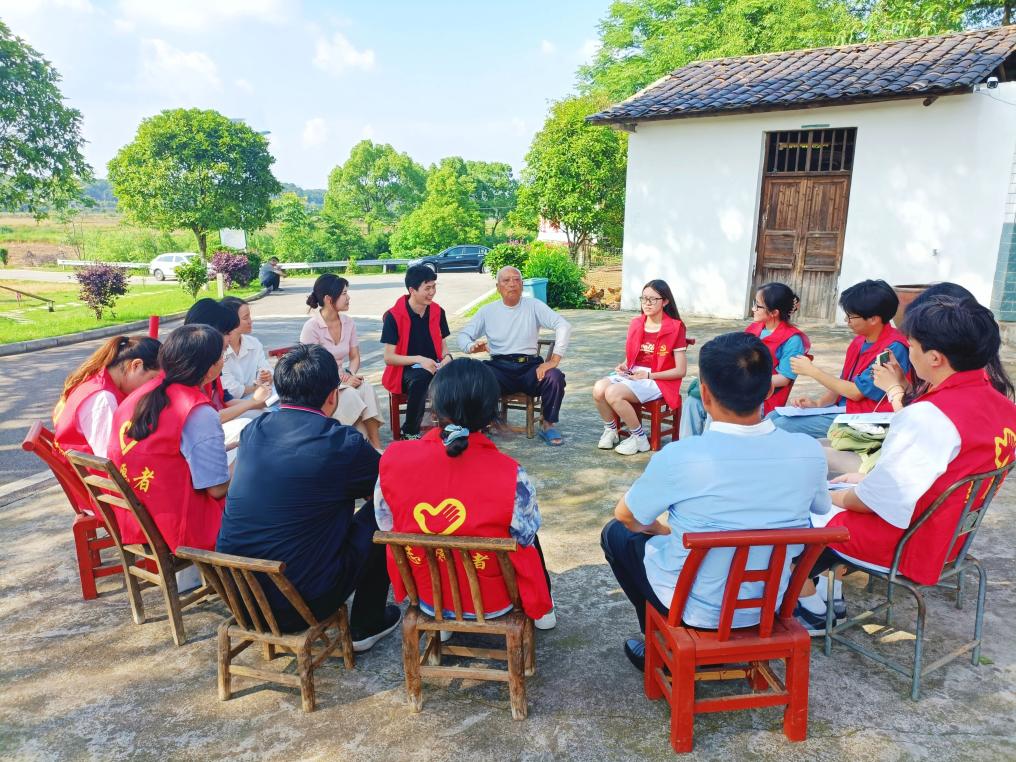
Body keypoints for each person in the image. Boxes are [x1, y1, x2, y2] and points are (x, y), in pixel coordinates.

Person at [601, 332, 829, 671]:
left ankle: (660, 644)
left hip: (695, 607)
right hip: (768, 603)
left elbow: (627, 516)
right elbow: (821, 509)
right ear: (768, 391)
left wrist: (661, 530)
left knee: (615, 534)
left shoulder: (681, 456)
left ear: (704, 394)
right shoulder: (808, 451)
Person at [796, 295, 1016, 634]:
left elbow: (870, 504)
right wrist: (863, 483)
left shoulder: (930, 416)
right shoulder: (1003, 406)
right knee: (840, 489)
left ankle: (808, 607)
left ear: (935, 358)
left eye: (911, 346)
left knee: (797, 511)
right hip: (952, 535)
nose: (907, 354)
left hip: (907, 542)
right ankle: (829, 592)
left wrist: (830, 493)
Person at [216, 344, 399, 648]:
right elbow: (384, 488)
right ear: (333, 395)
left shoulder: (255, 430)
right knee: (381, 511)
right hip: (301, 602)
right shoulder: (341, 442)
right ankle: (367, 625)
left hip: (240, 595)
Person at [375, 358, 555, 628]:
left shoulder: (393, 459)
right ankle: (543, 611)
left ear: (434, 407)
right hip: (494, 601)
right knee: (526, 533)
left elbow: (386, 523)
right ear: (491, 412)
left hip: (428, 595)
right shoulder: (511, 473)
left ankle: (443, 625)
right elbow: (525, 536)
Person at [109, 324, 230, 551]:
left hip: (141, 521)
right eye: (222, 355)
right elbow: (217, 488)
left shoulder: (140, 394)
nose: (224, 360)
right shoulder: (197, 411)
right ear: (211, 368)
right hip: (183, 528)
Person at [768, 279, 911, 439]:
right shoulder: (859, 341)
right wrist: (819, 404)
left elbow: (856, 392)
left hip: (868, 417)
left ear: (873, 319)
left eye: (851, 317)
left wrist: (812, 371)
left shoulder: (893, 348)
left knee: (782, 425)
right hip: (845, 409)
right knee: (771, 417)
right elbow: (844, 381)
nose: (846, 321)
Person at [459, 266, 571, 446]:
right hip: (499, 368)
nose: (512, 284)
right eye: (506, 280)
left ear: (522, 285)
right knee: (474, 375)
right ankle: (481, 424)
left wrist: (553, 361)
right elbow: (463, 336)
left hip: (529, 368)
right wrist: (471, 347)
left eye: (516, 279)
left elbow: (563, 325)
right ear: (498, 287)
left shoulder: (533, 305)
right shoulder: (487, 311)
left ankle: (548, 425)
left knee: (554, 377)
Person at [681, 282, 810, 437]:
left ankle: (712, 446)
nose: (753, 309)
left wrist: (741, 381)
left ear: (774, 312)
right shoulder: (754, 328)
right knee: (693, 402)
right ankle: (687, 446)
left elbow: (784, 378)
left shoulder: (792, 340)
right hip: (738, 386)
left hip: (761, 395)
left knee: (717, 407)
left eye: (758, 306)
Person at [872, 282, 1015, 411]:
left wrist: (893, 389)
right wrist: (902, 382)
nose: (909, 350)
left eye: (911, 345)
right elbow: (925, 405)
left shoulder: (973, 381)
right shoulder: (959, 371)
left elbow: (920, 421)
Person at [592, 279, 688, 455]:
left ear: (665, 301)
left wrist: (649, 376)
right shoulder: (637, 323)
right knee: (599, 389)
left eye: (653, 299)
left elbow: (681, 370)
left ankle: (639, 438)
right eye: (644, 298)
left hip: (658, 379)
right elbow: (633, 356)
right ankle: (611, 430)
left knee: (613, 393)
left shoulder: (675, 328)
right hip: (635, 373)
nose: (647, 303)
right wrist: (624, 365)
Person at [303, 274, 385, 450]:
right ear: (328, 299)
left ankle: (375, 445)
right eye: (344, 294)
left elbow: (355, 356)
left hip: (344, 379)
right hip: (322, 385)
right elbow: (311, 367)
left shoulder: (348, 323)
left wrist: (350, 374)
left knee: (366, 389)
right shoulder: (311, 327)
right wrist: (341, 380)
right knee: (352, 395)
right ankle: (363, 447)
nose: (348, 298)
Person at [53, 335, 161, 459]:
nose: (152, 387)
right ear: (136, 365)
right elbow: (110, 456)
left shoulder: (95, 378)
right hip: (91, 469)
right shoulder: (103, 399)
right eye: (152, 379)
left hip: (79, 463)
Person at [380, 265, 452, 440]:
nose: (432, 292)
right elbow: (389, 358)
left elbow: (443, 347)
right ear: (412, 290)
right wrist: (419, 359)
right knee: (421, 378)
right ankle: (410, 431)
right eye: (427, 288)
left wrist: (447, 358)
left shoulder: (438, 311)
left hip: (435, 366)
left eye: (434, 287)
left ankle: (452, 426)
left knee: (461, 372)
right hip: (404, 371)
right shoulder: (394, 316)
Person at [184, 298, 270, 424]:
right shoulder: (187, 373)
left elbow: (226, 400)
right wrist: (253, 401)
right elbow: (207, 419)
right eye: (226, 332)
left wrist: (259, 403)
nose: (230, 338)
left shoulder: (207, 364)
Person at [220, 296, 272, 402]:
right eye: (245, 318)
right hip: (234, 406)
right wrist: (258, 389)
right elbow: (232, 390)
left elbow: (266, 369)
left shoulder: (254, 343)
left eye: (249, 316)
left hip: (258, 400)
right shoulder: (219, 351)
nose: (250, 321)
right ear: (231, 321)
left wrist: (267, 375)